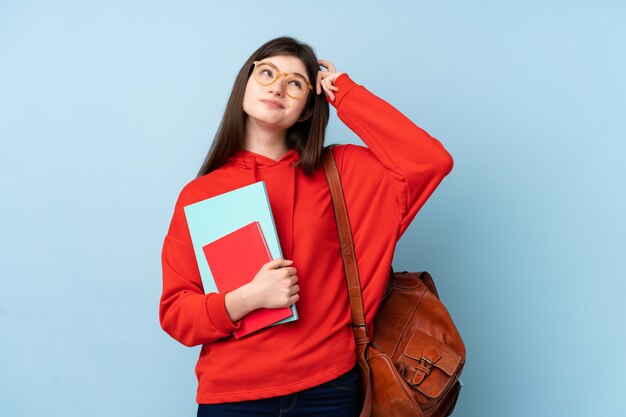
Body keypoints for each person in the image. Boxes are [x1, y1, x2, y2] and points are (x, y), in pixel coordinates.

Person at [159, 36, 454, 417]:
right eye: (267, 72)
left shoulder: (340, 173)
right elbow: (177, 314)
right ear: (245, 84)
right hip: (232, 399)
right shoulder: (199, 194)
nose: (277, 86)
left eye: (295, 82)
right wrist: (249, 298)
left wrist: (345, 95)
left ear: (306, 110)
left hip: (328, 391)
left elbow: (429, 161)